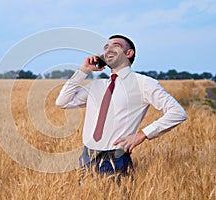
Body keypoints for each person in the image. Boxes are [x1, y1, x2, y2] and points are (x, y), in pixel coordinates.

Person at [55, 34, 187, 181]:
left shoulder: (144, 83)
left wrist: (142, 135)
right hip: (87, 157)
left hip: (116, 158)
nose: (108, 49)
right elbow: (62, 102)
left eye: (115, 45)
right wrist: (84, 70)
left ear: (129, 53)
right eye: (106, 47)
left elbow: (177, 112)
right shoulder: (96, 86)